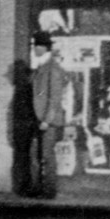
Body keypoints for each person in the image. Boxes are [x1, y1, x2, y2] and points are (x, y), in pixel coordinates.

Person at [28, 30, 66, 199]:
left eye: (36, 46)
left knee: (46, 155)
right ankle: (37, 188)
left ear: (44, 48)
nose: (34, 49)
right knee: (35, 154)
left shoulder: (53, 68)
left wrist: (47, 120)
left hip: (46, 120)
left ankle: (49, 190)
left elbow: (55, 97)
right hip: (38, 118)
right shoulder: (40, 67)